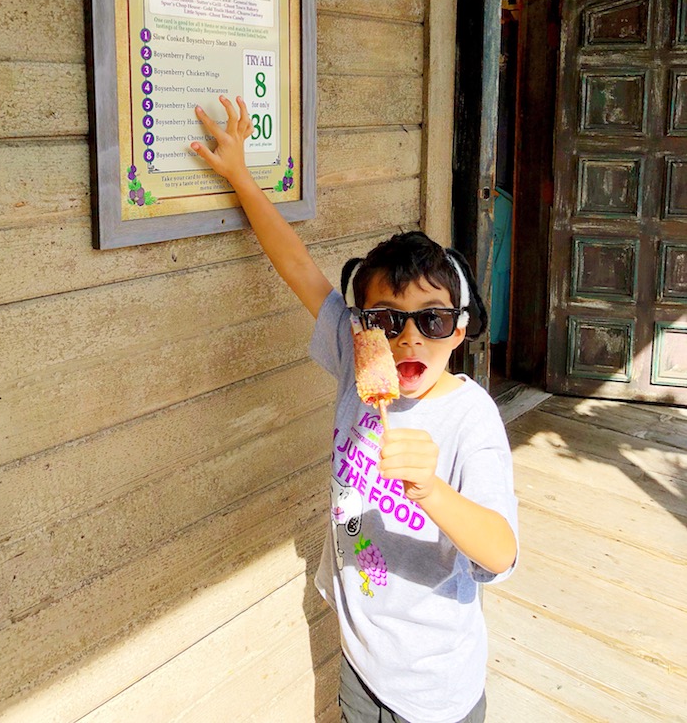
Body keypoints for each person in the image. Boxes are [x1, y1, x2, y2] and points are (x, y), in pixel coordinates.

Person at [191, 96, 519, 723]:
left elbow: (500, 553)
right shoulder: (357, 362)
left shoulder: (469, 419)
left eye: (432, 320)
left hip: (434, 687)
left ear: (462, 328)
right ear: (363, 325)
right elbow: (299, 268)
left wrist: (432, 493)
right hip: (361, 664)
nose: (408, 340)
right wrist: (239, 175)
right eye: (387, 320)